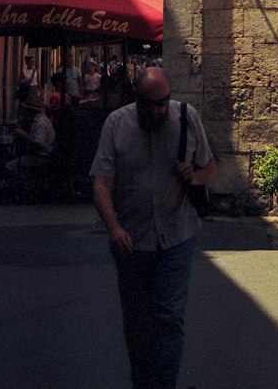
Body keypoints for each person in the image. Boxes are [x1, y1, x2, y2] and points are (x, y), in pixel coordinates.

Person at [90, 66, 215, 389]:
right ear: (136, 98)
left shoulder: (186, 118)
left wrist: (195, 176)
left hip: (177, 234)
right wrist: (114, 227)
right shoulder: (116, 124)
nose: (158, 110)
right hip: (132, 239)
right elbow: (101, 182)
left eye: (164, 102)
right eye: (151, 104)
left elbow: (209, 165)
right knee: (138, 322)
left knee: (168, 318)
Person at [7, 93, 55, 180]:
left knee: (10, 166)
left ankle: (23, 185)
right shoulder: (36, 120)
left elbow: (39, 144)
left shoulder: (41, 122)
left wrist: (24, 135)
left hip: (42, 157)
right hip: (39, 154)